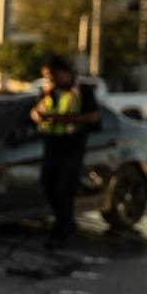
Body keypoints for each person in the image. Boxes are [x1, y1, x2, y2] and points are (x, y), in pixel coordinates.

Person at [29, 54, 101, 249]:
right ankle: (64, 222)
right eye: (47, 76)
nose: (50, 79)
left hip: (72, 146)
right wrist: (39, 117)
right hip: (51, 145)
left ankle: (63, 227)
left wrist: (62, 119)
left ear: (65, 73)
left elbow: (93, 117)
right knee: (48, 182)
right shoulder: (47, 92)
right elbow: (34, 112)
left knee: (64, 189)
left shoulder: (82, 90)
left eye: (52, 75)